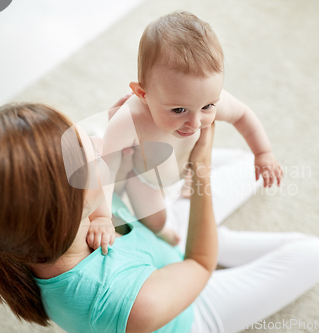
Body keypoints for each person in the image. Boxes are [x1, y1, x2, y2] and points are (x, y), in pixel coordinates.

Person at [0, 100, 319, 333]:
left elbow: (123, 176)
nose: (94, 140)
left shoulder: (43, 229)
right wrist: (202, 165)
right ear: (66, 204)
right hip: (191, 311)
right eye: (84, 148)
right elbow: (200, 262)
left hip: (156, 240)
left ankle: (203, 229)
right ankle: (213, 233)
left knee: (250, 165)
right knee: (314, 253)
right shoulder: (122, 302)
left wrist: (134, 142)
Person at [86, 10, 284, 250]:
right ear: (142, 94)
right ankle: (163, 230)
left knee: (242, 165)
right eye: (179, 110)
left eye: (208, 106)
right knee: (156, 220)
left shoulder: (202, 100)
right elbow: (105, 166)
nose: (196, 122)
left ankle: (187, 178)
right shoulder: (131, 118)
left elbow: (242, 115)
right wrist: (100, 218)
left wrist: (263, 153)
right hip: (145, 176)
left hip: (183, 166)